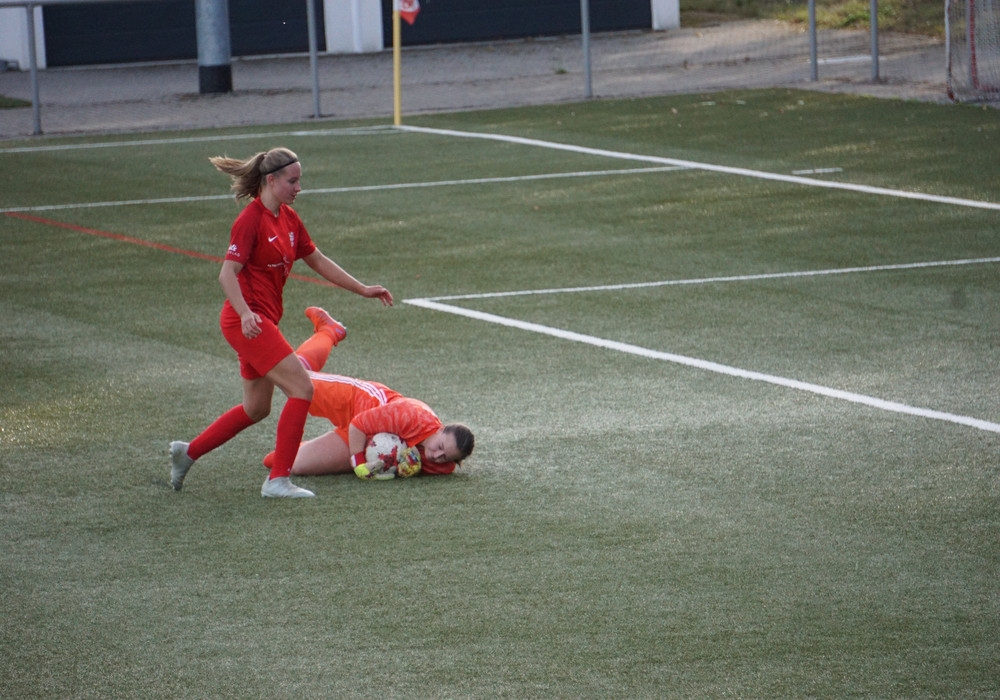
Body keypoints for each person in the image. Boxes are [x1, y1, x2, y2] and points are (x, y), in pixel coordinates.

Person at [169, 147, 393, 498]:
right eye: (293, 181)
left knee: (256, 408)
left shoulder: (288, 218)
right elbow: (227, 274)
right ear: (271, 180)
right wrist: (245, 313)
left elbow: (317, 259)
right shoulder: (250, 220)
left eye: (299, 180)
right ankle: (277, 480)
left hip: (260, 322)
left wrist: (362, 289)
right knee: (302, 389)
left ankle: (189, 453)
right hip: (248, 323)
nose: (298, 187)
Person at [259, 306, 474, 479]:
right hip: (356, 401)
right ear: (441, 429)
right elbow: (359, 425)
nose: (436, 455)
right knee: (293, 376)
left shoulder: (442, 467)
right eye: (440, 446)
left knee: (295, 465)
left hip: (363, 436)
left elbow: (432, 465)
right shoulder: (412, 416)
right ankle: (329, 331)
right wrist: (359, 465)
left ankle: (292, 451)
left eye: (445, 457)